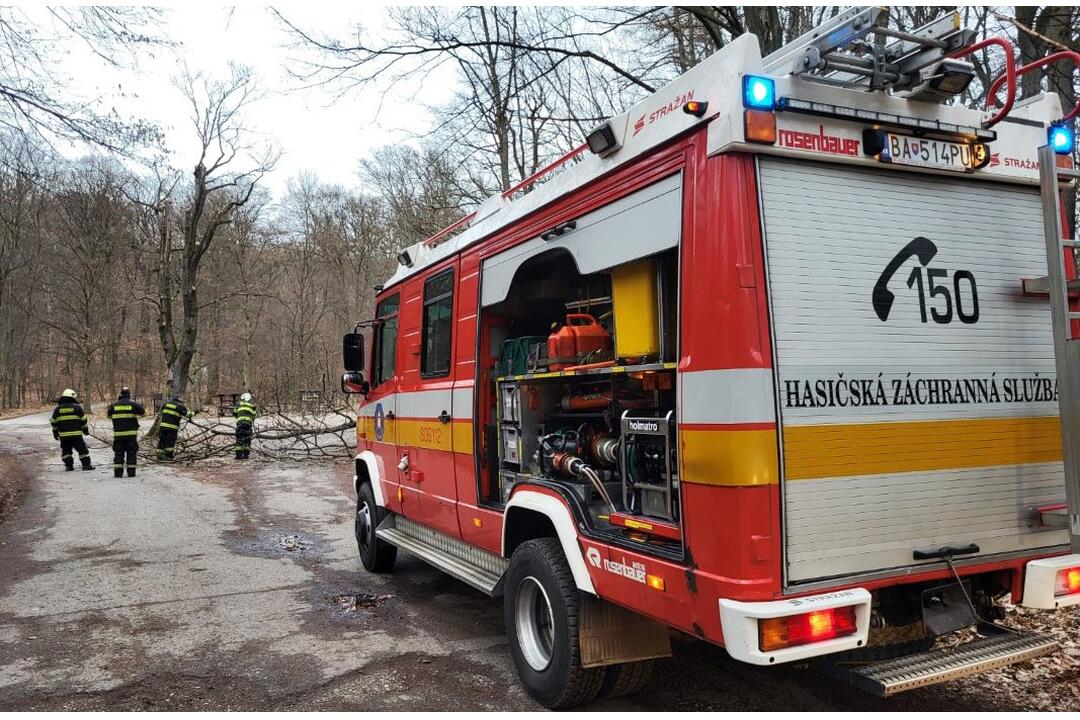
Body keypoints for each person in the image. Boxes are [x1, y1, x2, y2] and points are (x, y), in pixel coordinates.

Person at [50, 388, 94, 471]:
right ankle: (86, 466)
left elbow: (54, 423)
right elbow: (83, 420)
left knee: (66, 451)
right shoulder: (77, 408)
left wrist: (55, 433)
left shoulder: (57, 409)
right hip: (76, 435)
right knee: (82, 451)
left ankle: (69, 466)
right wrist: (85, 430)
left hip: (64, 436)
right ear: (72, 397)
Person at [106, 386, 145, 478]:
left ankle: (118, 473)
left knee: (118, 454)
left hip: (118, 435)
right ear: (129, 394)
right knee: (131, 453)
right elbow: (143, 413)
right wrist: (134, 417)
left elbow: (108, 416)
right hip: (131, 435)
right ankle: (131, 473)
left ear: (121, 394)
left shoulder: (114, 405)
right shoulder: (134, 404)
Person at [156, 395, 195, 460]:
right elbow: (187, 415)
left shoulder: (165, 404)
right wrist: (194, 412)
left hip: (163, 426)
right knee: (170, 442)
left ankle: (159, 456)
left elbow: (160, 413)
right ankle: (168, 457)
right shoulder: (180, 406)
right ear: (179, 400)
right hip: (172, 427)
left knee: (162, 441)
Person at [233, 392, 256, 460]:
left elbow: (234, 413)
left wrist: (239, 417)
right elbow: (254, 416)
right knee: (247, 439)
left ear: (242, 398)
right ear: (249, 399)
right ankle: (246, 455)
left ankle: (239, 455)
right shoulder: (252, 406)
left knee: (239, 438)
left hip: (240, 423)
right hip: (248, 424)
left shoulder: (239, 404)